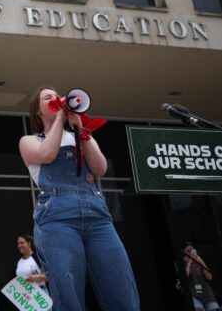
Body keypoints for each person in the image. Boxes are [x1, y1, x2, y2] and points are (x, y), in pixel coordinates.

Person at [18, 86, 139, 310]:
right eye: (48, 98)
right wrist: (61, 117)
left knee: (119, 281)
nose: (56, 99)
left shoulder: (80, 136)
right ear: (37, 111)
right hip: (57, 216)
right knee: (67, 287)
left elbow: (100, 168)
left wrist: (81, 130)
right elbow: (47, 154)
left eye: (57, 96)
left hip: (96, 214)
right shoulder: (29, 140)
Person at [183, 243, 219, 311]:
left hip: (206, 293)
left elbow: (209, 277)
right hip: (194, 294)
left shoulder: (199, 262)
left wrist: (200, 261)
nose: (190, 254)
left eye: (192, 251)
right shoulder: (184, 264)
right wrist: (189, 262)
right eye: (188, 252)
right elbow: (184, 277)